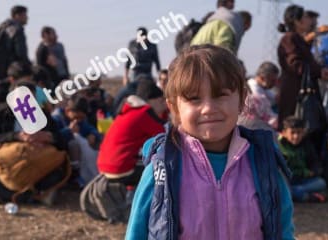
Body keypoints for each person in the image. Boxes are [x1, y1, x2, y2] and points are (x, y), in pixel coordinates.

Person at [126, 45, 294, 239]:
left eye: (220, 95)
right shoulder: (162, 169)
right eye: (194, 98)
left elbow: (283, 230)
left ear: (241, 99)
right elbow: (136, 233)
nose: (208, 108)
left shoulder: (264, 163)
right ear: (174, 108)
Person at [80, 81, 166, 223]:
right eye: (161, 100)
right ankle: (139, 208)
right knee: (160, 168)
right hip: (121, 167)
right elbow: (164, 135)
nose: (164, 105)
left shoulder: (127, 112)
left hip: (105, 165)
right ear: (151, 100)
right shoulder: (144, 113)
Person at [277, 4, 328, 153]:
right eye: (306, 17)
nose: (309, 20)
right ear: (297, 21)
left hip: (301, 94)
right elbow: (296, 65)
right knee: (294, 133)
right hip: (295, 96)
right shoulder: (289, 39)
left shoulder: (298, 39)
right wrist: (319, 71)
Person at [279, 116, 327, 202]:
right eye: (292, 133)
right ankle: (307, 196)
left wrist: (314, 171)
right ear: (284, 133)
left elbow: (315, 162)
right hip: (286, 181)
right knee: (281, 190)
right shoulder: (279, 146)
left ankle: (299, 192)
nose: (296, 136)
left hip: (302, 180)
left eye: (299, 132)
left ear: (303, 132)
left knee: (321, 183)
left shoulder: (306, 144)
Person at [0, 5, 30, 80]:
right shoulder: (17, 29)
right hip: (13, 72)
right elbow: (21, 53)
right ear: (17, 15)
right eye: (25, 15)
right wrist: (28, 68)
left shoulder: (2, 27)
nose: (27, 17)